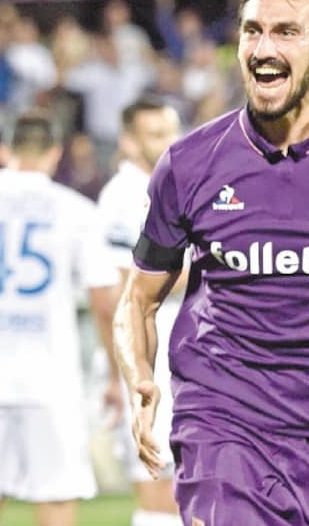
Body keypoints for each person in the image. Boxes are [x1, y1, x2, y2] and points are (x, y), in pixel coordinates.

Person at [114, 0, 309, 526]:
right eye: (252, 30)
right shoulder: (190, 164)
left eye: (285, 31)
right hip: (224, 419)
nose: (262, 47)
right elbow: (138, 299)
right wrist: (139, 378)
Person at [0, 114, 120, 526]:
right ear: (55, 154)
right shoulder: (77, 210)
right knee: (55, 495)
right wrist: (115, 375)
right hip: (49, 374)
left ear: (4, 150)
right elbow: (105, 304)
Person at [97, 98, 182, 526]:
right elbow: (126, 285)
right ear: (129, 142)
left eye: (171, 131)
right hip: (149, 352)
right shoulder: (124, 196)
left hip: (184, 348)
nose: (170, 142)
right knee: (158, 493)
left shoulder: (174, 186)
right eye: (156, 135)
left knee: (189, 491)